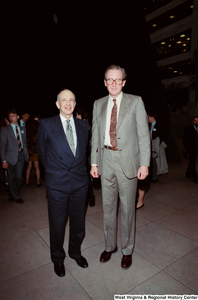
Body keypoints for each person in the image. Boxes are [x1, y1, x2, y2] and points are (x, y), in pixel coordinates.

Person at [90, 65, 150, 269]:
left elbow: (144, 135)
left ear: (124, 82)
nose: (113, 83)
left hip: (128, 163)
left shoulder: (136, 101)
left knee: (127, 210)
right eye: (110, 79)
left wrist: (144, 163)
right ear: (104, 81)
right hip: (106, 159)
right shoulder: (98, 104)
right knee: (107, 208)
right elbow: (95, 136)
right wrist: (94, 162)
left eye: (118, 80)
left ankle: (126, 249)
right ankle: (110, 246)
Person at [37, 89, 89, 277]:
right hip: (57, 183)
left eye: (71, 100)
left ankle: (75, 252)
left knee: (78, 223)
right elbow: (42, 153)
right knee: (57, 225)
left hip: (80, 183)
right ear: (58, 104)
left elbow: (85, 152)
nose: (68, 103)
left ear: (75, 104)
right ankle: (58, 259)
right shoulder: (47, 124)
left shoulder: (83, 126)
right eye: (64, 100)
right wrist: (54, 171)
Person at [0, 108, 29, 203]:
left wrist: (26, 154)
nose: (11, 118)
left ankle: (13, 194)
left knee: (19, 177)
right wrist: (3, 160)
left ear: (17, 117)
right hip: (10, 157)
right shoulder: (5, 130)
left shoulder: (22, 129)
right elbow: (2, 146)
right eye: (9, 116)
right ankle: (16, 196)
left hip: (21, 156)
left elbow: (24, 143)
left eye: (13, 116)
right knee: (11, 178)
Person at [148, 113, 168, 182]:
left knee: (156, 161)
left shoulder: (159, 126)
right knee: (153, 162)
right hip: (152, 146)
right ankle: (153, 176)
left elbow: (160, 136)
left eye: (148, 117)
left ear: (152, 117)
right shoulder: (150, 126)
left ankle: (154, 177)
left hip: (156, 146)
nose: (148, 119)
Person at [25, 119, 42, 187]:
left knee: (29, 167)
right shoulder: (37, 134)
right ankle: (38, 182)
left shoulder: (28, 133)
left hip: (29, 151)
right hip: (35, 151)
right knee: (37, 167)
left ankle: (27, 181)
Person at [183, 116, 198, 184]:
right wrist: (186, 147)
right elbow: (185, 138)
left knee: (192, 161)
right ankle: (195, 177)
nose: (196, 122)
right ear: (192, 121)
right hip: (191, 148)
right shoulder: (189, 129)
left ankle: (188, 173)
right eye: (195, 120)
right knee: (192, 161)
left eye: (197, 121)